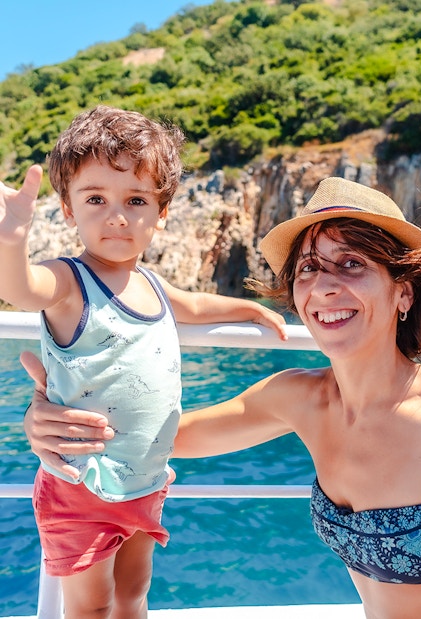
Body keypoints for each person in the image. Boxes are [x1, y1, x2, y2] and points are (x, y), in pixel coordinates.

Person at [22, 176, 421, 619]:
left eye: (351, 264)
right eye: (309, 268)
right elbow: (164, 437)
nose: (324, 286)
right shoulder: (300, 398)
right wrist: (49, 419)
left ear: (403, 292)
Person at [0, 105, 287, 619]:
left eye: (136, 200)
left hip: (146, 480)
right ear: (67, 208)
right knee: (91, 607)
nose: (117, 215)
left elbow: (195, 306)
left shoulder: (151, 283)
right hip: (80, 485)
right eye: (96, 198)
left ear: (162, 212)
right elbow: (22, 290)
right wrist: (11, 238)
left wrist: (249, 308)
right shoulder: (69, 282)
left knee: (133, 594)